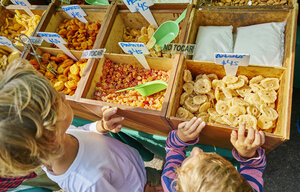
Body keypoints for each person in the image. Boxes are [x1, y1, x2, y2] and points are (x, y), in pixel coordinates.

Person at [0, 59, 150, 192]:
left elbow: (82, 133)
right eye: (56, 101)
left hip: (132, 168)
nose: (63, 94)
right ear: (51, 135)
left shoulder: (58, 139)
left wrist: (100, 127)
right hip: (139, 185)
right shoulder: (89, 183)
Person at [161, 117, 266, 192]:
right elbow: (254, 168)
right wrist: (247, 154)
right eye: (209, 157)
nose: (196, 150)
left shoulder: (169, 180)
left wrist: (180, 138)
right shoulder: (250, 188)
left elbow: (173, 149)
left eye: (191, 157)